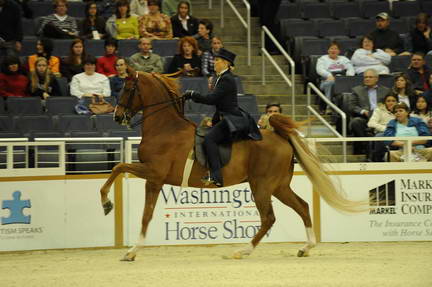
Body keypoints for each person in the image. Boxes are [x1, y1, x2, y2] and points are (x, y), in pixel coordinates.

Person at [182, 48, 262, 187]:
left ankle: (216, 176)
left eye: (217, 60)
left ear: (225, 63)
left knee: (209, 139)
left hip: (231, 119)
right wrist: (213, 121)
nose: (214, 62)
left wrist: (193, 94)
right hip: (224, 116)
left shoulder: (227, 79)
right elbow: (220, 105)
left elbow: (212, 99)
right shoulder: (221, 78)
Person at [349, 68, 391, 154]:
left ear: (377, 78)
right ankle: (366, 144)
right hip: (365, 117)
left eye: (370, 77)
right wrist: (363, 111)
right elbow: (352, 106)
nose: (367, 79)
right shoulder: (356, 90)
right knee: (356, 122)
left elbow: (390, 104)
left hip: (381, 117)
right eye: (365, 77)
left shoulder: (386, 90)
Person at [316, 41, 355, 114]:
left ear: (339, 51)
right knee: (330, 83)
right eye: (331, 48)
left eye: (335, 49)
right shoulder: (322, 59)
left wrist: (347, 77)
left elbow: (351, 69)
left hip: (342, 80)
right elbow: (319, 70)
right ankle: (329, 107)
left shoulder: (344, 59)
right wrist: (329, 75)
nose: (333, 50)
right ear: (328, 50)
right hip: (326, 81)